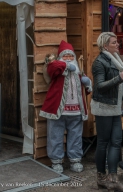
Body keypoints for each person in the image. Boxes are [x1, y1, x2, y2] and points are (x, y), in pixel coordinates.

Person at [39, 40, 92, 173]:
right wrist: (66, 65)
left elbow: (84, 91)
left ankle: (75, 160)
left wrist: (88, 84)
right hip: (58, 111)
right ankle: (56, 162)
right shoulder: (57, 68)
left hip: (76, 111)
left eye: (71, 56)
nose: (69, 59)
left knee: (75, 137)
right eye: (65, 56)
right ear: (60, 57)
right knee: (55, 137)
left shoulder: (78, 71)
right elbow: (52, 67)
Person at [91, 32, 123, 191]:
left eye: (117, 42)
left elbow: (116, 83)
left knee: (116, 142)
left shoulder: (116, 60)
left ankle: (113, 179)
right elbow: (99, 87)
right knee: (103, 143)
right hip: (103, 107)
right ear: (105, 46)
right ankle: (101, 178)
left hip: (115, 107)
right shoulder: (99, 62)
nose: (118, 45)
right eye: (114, 43)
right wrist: (119, 79)